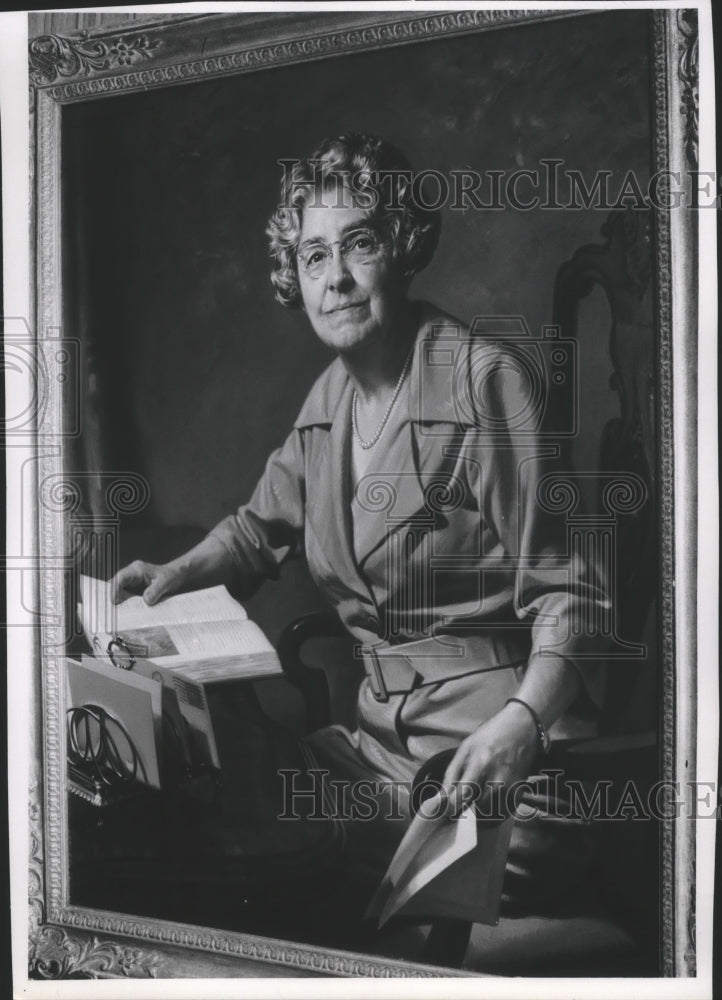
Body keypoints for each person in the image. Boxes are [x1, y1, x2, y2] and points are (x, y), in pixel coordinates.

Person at [110, 132, 610, 924]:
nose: (336, 278)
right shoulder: (329, 400)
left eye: (360, 244)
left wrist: (521, 724)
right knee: (235, 820)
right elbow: (253, 530)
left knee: (297, 876)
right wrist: (174, 576)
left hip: (493, 761)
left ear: (404, 250)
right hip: (375, 750)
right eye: (313, 257)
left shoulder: (485, 382)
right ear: (294, 277)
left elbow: (573, 599)